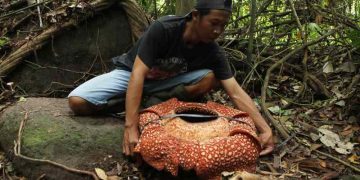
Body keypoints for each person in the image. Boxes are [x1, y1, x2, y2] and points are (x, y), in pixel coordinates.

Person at [68, 0, 274, 157]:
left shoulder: (213, 51)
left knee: (211, 77)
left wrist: (264, 129)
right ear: (195, 16)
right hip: (131, 74)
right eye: (214, 23)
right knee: (77, 102)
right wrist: (130, 127)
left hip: (167, 84)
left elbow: (235, 92)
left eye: (223, 25)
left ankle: (150, 102)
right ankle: (142, 103)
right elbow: (138, 73)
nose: (218, 31)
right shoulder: (164, 29)